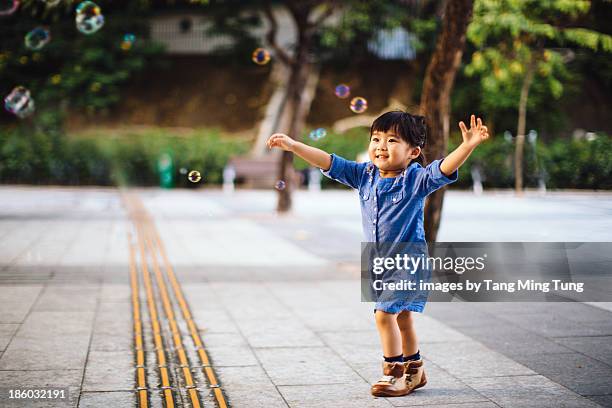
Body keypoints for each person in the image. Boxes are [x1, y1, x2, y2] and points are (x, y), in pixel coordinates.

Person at [266, 110, 489, 397]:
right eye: (376, 138)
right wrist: (294, 146)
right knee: (403, 317)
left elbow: (442, 169)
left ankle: (393, 373)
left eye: (392, 140)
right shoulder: (364, 175)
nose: (381, 146)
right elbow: (329, 162)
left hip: (408, 263)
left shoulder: (415, 180)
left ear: (413, 152)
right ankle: (415, 369)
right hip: (378, 263)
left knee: (384, 315)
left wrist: (466, 146)